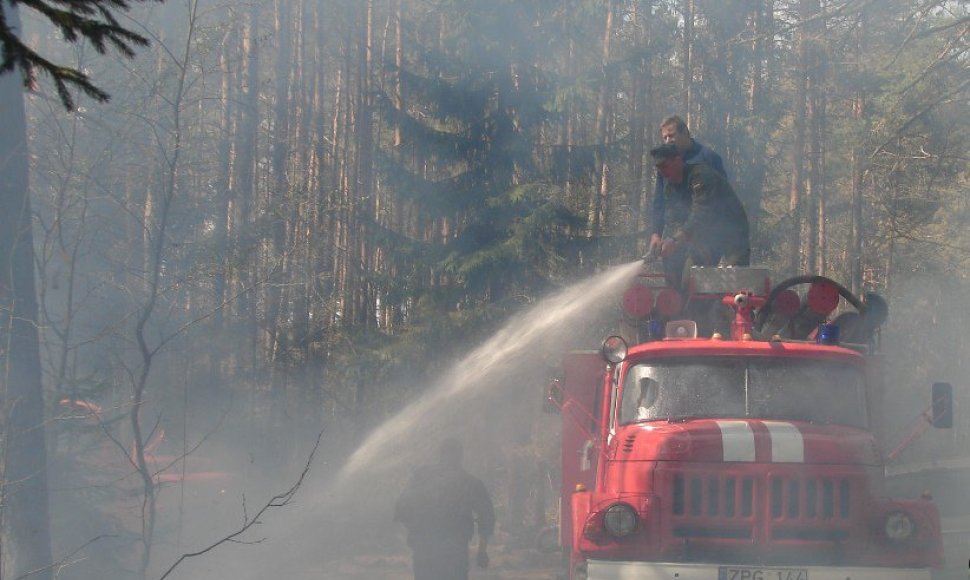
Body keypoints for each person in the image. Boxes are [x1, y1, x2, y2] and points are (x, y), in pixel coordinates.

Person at [649, 142, 750, 288]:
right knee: (691, 281)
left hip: (731, 230)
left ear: (678, 160)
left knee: (735, 281)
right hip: (705, 235)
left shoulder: (701, 176)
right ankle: (698, 309)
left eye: (665, 165)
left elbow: (702, 213)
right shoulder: (670, 188)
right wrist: (662, 242)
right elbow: (674, 219)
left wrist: (675, 240)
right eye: (658, 168)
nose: (662, 171)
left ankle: (734, 309)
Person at [393, 438, 495, 580]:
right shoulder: (468, 483)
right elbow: (487, 517)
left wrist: (482, 550)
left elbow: (486, 517)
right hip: (440, 549)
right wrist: (482, 551)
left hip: (437, 550)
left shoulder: (424, 478)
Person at [648, 116, 730, 280]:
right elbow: (659, 201)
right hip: (674, 236)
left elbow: (713, 205)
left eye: (671, 135)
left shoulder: (709, 159)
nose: (668, 140)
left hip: (706, 237)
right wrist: (656, 233)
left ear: (685, 132)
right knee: (673, 290)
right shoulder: (665, 163)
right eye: (664, 138)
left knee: (695, 286)